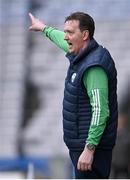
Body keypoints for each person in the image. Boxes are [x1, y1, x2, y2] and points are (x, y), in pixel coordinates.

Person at [29, 11, 118, 179]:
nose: (65, 37)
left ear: (85, 35)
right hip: (83, 146)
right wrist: (43, 28)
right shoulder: (82, 53)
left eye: (70, 32)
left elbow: (101, 111)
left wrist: (89, 149)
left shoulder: (94, 67)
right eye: (66, 32)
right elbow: (61, 39)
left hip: (92, 150)